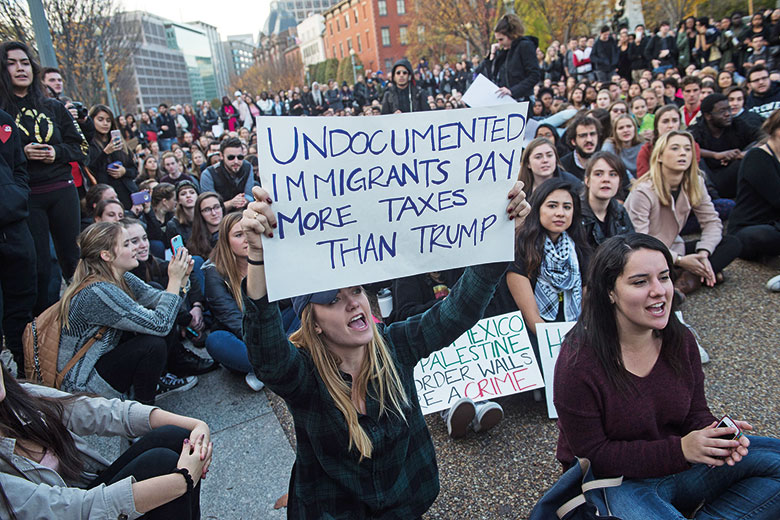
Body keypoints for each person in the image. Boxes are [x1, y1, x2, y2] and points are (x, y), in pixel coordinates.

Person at [238, 180, 530, 517]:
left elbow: (457, 311)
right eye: (333, 299)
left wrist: (498, 237)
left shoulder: (396, 345)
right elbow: (268, 356)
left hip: (407, 503)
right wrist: (258, 257)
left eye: (356, 290)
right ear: (313, 323)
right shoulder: (305, 376)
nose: (353, 303)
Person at [553, 232, 780, 520]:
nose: (659, 290)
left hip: (682, 465)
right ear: (609, 291)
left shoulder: (680, 339)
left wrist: (715, 436)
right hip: (617, 482)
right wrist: (682, 449)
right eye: (640, 282)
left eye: (664, 277)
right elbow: (593, 454)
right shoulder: (578, 361)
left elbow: (694, 412)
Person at [0, 363, 212, 519]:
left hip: (85, 492)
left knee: (176, 437)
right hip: (74, 511)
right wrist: (183, 479)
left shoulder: (17, 398)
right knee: (162, 463)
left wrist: (196, 426)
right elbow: (73, 510)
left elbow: (102, 411)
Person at [57, 222, 198, 404]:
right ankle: (141, 412)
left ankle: (153, 383)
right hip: (84, 385)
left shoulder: (118, 277)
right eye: (127, 244)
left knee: (163, 313)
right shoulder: (97, 291)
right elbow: (160, 324)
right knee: (152, 344)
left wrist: (182, 278)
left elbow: (161, 301)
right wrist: (174, 279)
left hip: (104, 360)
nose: (135, 248)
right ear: (106, 255)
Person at [0, 41, 87, 314]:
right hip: (26, 197)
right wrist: (20, 152)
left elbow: (80, 147)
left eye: (25, 62)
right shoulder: (2, 113)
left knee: (74, 260)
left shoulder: (53, 107)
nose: (20, 68)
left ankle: (87, 314)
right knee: (41, 266)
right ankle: (47, 325)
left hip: (62, 188)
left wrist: (55, 152)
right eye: (12, 63)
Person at [624, 131, 741, 296]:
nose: (683, 153)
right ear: (660, 156)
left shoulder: (695, 183)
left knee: (732, 243)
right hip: (647, 254)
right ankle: (687, 282)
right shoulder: (643, 191)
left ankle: (690, 275)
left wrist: (703, 254)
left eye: (687, 149)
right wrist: (680, 261)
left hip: (675, 248)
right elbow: (638, 240)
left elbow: (711, 222)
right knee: (646, 268)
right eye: (675, 148)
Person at [505, 178, 590, 352]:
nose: (560, 213)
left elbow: (588, 310)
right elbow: (532, 319)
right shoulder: (520, 249)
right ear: (538, 209)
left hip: (577, 339)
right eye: (552, 206)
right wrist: (561, 347)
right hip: (535, 344)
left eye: (567, 207)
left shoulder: (581, 250)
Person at [202, 213, 264, 391]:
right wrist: (268, 344)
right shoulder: (214, 273)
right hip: (243, 337)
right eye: (239, 235)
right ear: (226, 241)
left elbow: (284, 303)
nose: (247, 239)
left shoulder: (267, 260)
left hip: (272, 329)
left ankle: (267, 370)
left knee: (303, 311)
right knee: (215, 341)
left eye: (250, 232)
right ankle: (278, 364)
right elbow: (232, 319)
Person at [0, 105, 36, 373]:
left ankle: (24, 372)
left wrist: (17, 193)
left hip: (14, 226)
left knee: (23, 300)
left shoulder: (4, 121)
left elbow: (19, 166)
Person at [688, 93, 763, 199]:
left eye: (729, 109)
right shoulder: (697, 130)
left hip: (735, 174)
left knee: (756, 150)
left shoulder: (737, 124)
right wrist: (716, 155)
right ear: (708, 116)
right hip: (709, 179)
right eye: (722, 111)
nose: (728, 114)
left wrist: (744, 154)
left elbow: (765, 137)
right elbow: (687, 147)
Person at [728, 109, 780, 261]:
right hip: (748, 229)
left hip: (775, 224)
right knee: (764, 235)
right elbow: (777, 198)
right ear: (776, 130)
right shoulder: (757, 157)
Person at [480, 14, 541, 102]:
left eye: (501, 39)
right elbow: (490, 74)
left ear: (511, 35)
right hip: (505, 99)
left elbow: (534, 75)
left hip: (522, 99)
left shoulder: (524, 46)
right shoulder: (505, 52)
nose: (499, 43)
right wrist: (492, 55)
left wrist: (513, 91)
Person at [87, 104, 138, 209]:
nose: (105, 124)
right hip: (107, 199)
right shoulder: (89, 144)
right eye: (100, 120)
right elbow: (92, 170)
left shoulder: (118, 141)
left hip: (129, 194)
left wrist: (124, 171)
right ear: (92, 120)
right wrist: (106, 153)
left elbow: (134, 170)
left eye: (108, 120)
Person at [580, 151, 634, 249]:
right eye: (598, 174)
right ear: (587, 181)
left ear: (619, 182)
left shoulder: (620, 212)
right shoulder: (575, 214)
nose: (606, 179)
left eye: (613, 174)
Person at [636, 104, 702, 178]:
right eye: (665, 121)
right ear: (656, 126)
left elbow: (692, 174)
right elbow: (643, 178)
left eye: (675, 121)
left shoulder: (692, 146)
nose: (671, 125)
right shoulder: (647, 149)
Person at [199, 137, 253, 212]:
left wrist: (243, 200)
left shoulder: (248, 167)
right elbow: (210, 206)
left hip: (244, 213)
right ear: (221, 156)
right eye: (231, 157)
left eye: (240, 157)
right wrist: (231, 203)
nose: (236, 161)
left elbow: (250, 194)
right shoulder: (208, 174)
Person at [517, 137, 582, 196]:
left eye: (549, 155)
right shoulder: (520, 188)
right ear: (528, 163)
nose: (545, 160)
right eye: (538, 157)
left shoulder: (573, 184)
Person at [560, 115, 602, 179]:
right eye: (583, 135)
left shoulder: (608, 163)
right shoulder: (562, 166)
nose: (589, 139)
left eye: (592, 134)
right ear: (573, 141)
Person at [187, 191, 224, 260]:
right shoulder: (195, 241)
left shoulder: (233, 233)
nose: (214, 213)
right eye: (207, 210)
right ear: (200, 214)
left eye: (217, 207)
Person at [165, 180, 198, 246]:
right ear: (178, 200)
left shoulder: (206, 218)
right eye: (183, 194)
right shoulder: (173, 225)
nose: (188, 196)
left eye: (192, 192)